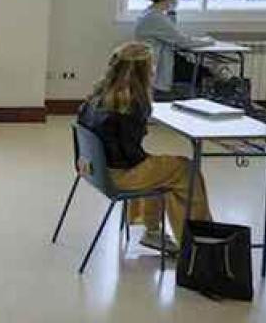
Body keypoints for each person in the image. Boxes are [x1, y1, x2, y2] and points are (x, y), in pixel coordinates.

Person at [77, 41, 212, 253]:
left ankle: (152, 231)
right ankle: (199, 247)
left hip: (95, 170)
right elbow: (133, 157)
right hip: (118, 176)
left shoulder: (97, 97)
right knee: (185, 170)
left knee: (163, 167)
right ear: (142, 71)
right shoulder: (131, 103)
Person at [134, 0, 213, 100]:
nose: (176, 2)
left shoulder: (151, 13)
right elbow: (182, 40)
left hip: (156, 61)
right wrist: (208, 41)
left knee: (198, 72)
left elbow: (172, 32)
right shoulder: (155, 18)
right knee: (203, 74)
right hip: (156, 66)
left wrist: (171, 14)